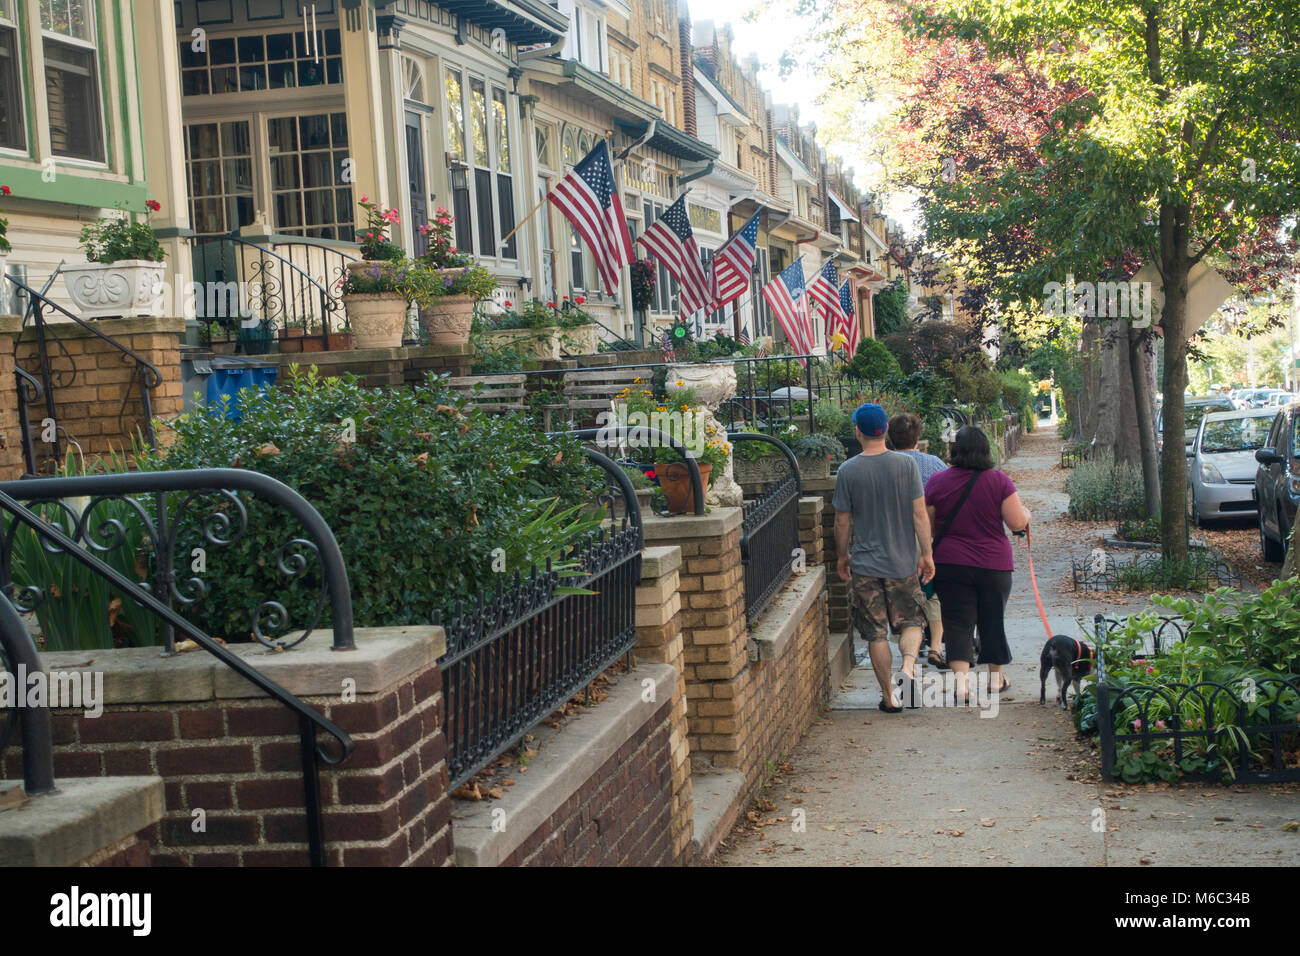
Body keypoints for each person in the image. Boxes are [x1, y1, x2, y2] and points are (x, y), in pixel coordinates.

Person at [834, 403, 936, 713]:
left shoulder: (847, 470)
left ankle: (890, 696)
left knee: (875, 633)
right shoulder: (906, 466)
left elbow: (842, 521)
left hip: (865, 565)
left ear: (857, 432)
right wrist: (927, 553)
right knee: (912, 621)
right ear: (886, 431)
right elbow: (920, 515)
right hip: (902, 562)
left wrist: (842, 556)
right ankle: (907, 667)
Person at [924, 426, 1031, 702]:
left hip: (951, 562)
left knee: (957, 622)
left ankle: (962, 685)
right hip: (993, 564)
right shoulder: (999, 481)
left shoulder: (937, 482)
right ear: (986, 449)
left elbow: (929, 526)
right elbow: (1017, 522)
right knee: (991, 619)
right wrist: (1027, 513)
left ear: (954, 450)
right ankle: (995, 680)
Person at [888, 413, 949, 668]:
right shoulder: (934, 463)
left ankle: (909, 655)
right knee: (931, 593)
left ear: (890, 437)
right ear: (918, 438)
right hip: (925, 537)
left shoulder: (885, 464)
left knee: (903, 596)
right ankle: (936, 646)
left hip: (892, 538)